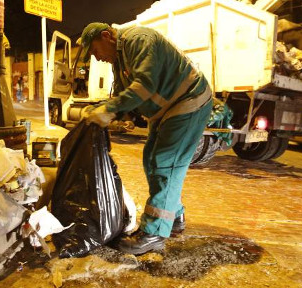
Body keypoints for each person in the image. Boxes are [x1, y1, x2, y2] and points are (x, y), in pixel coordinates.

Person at [78, 22, 213, 255]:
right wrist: (105, 110)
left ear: (106, 36)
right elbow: (123, 94)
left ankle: (155, 233)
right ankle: (175, 216)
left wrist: (110, 109)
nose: (96, 58)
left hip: (188, 101)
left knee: (165, 163)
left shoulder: (139, 39)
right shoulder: (120, 59)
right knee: (151, 160)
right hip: (168, 110)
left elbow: (144, 85)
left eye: (94, 50)